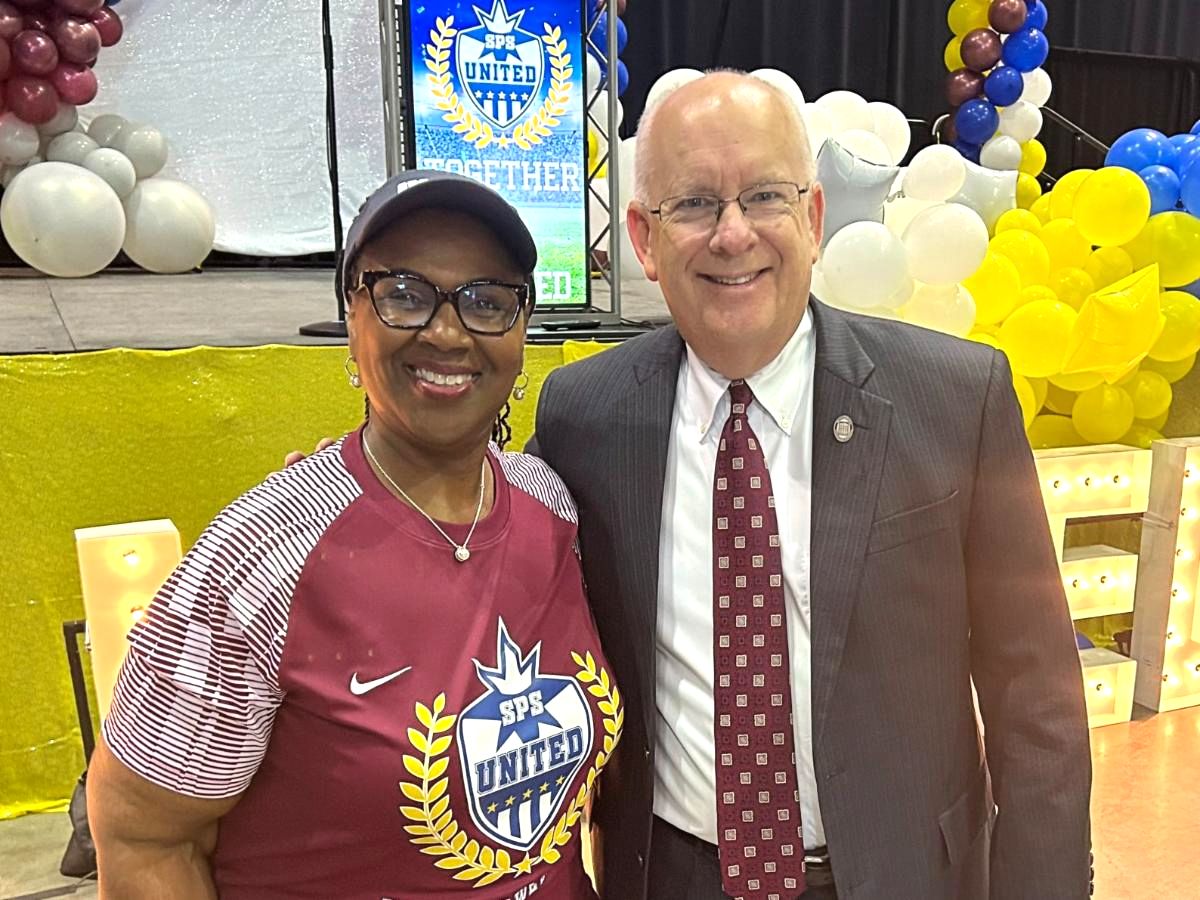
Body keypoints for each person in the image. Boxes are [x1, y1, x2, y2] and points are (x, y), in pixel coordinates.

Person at [528, 71, 1092, 899]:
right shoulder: (585, 417)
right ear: (643, 238)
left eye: (764, 196)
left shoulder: (955, 401)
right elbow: (492, 563)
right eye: (694, 204)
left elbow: (1035, 696)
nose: (733, 235)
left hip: (904, 879)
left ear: (814, 217)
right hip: (671, 878)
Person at [87, 171, 620, 899]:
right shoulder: (262, 552)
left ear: (521, 329)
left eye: (486, 301)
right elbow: (144, 834)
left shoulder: (548, 504)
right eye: (404, 293)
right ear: (351, 314)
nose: (446, 331)